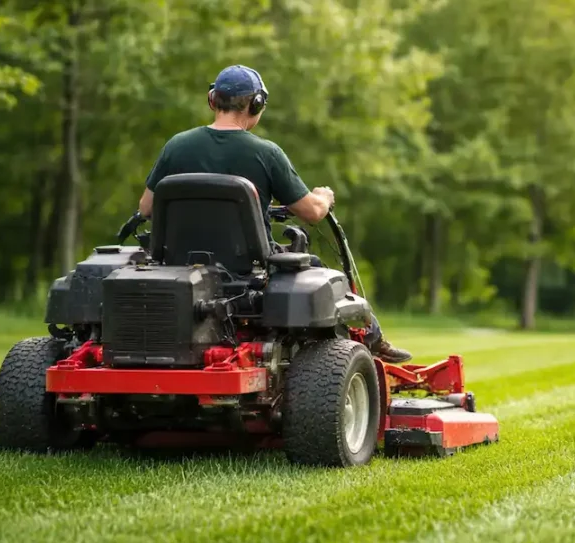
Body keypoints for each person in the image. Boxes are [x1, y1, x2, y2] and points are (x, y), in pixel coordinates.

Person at [136, 64, 412, 364]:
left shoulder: (176, 146)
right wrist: (323, 196)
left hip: (177, 268)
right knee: (315, 267)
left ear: (213, 100)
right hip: (247, 275)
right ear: (256, 104)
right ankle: (371, 338)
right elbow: (312, 213)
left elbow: (146, 208)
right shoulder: (266, 153)